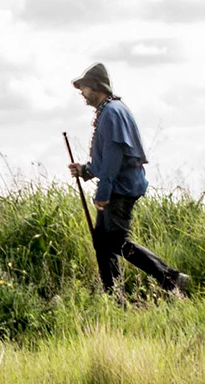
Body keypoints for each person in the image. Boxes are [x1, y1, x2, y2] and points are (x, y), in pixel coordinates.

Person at [65, 64, 186, 299]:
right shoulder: (110, 111)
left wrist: (103, 193)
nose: (82, 93)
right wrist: (85, 170)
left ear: (97, 87)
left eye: (84, 87)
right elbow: (105, 159)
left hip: (120, 188)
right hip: (118, 185)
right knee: (103, 242)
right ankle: (114, 299)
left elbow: (114, 157)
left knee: (115, 241)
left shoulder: (112, 113)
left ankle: (171, 278)